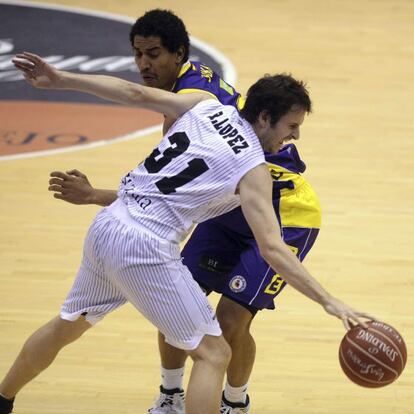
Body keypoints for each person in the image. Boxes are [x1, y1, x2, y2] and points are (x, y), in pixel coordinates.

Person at [0, 52, 372, 414]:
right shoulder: (253, 169)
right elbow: (273, 249)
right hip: (144, 246)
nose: (296, 136)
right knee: (214, 353)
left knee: (68, 325)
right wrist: (329, 302)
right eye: (292, 126)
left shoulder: (205, 107)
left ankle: (3, 398)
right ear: (264, 117)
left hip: (109, 225)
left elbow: (134, 94)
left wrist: (62, 79)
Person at [44, 9, 320, 414]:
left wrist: (92, 195)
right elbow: (158, 189)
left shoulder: (193, 105)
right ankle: (171, 396)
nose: (143, 65)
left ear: (178, 54)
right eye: (138, 54)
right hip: (224, 210)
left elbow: (157, 188)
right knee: (179, 306)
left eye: (153, 54)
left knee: (230, 322)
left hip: (282, 213)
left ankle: (235, 402)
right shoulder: (188, 79)